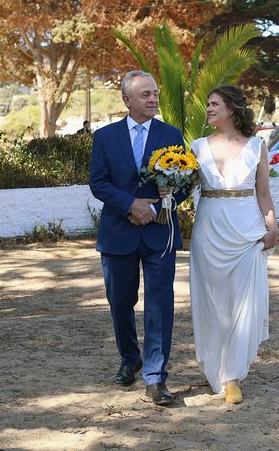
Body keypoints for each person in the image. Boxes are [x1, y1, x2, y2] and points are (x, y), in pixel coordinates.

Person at [89, 70, 187, 406]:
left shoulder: (172, 134)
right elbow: (98, 183)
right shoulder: (105, 137)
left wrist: (157, 205)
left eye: (155, 93)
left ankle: (156, 377)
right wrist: (130, 204)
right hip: (118, 233)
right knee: (119, 301)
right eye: (145, 94)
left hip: (160, 233)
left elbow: (185, 181)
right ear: (127, 99)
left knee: (160, 305)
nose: (153, 99)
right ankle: (130, 359)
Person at [189, 85, 278, 404]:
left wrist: (272, 225)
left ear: (232, 108)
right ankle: (215, 369)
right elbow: (182, 187)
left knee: (242, 303)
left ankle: (232, 377)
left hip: (245, 232)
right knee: (212, 304)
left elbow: (264, 193)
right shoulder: (196, 147)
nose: (208, 109)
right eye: (208, 104)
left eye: (214, 104)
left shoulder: (257, 146)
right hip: (208, 233)